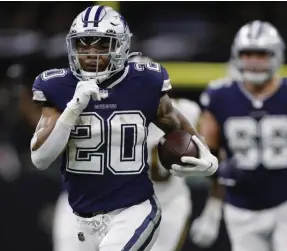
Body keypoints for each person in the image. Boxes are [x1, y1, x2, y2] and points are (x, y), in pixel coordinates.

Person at [30, 5, 218, 251]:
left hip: (139, 204)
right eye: (83, 44)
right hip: (81, 206)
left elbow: (196, 140)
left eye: (101, 45)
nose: (91, 55)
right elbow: (40, 159)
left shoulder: (151, 88)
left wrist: (207, 159)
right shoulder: (58, 87)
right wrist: (73, 109)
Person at [192, 20, 287, 251]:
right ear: (236, 56)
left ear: (276, 55)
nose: (253, 61)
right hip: (241, 208)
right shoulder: (219, 96)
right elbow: (205, 153)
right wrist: (217, 169)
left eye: (261, 54)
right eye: (247, 53)